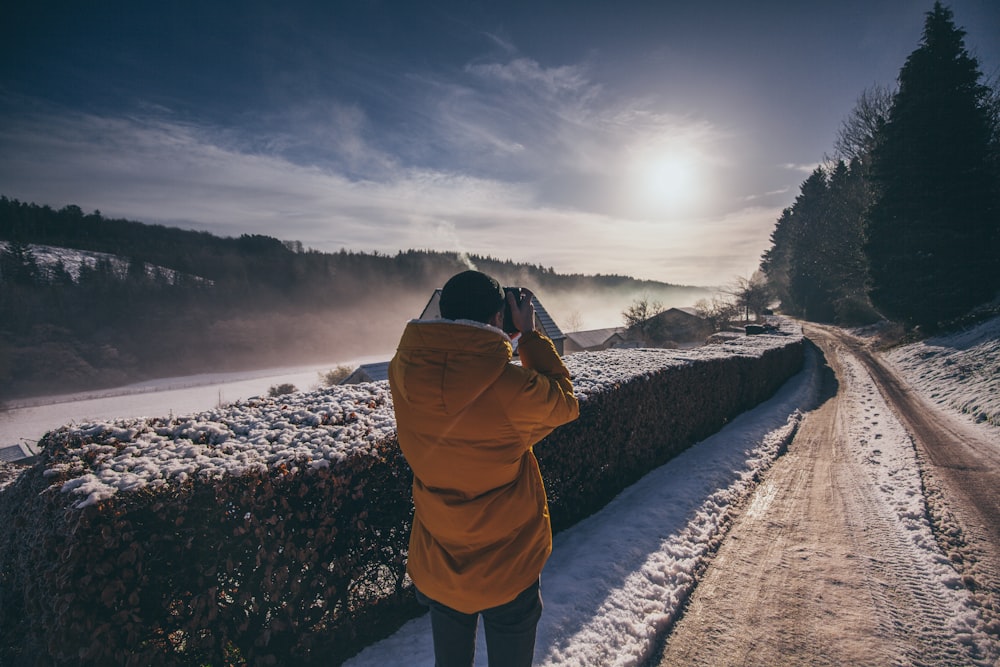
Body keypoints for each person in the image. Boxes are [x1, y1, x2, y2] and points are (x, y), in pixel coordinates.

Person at [388, 270, 580, 667]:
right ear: (498, 318)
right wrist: (526, 336)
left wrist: (493, 334)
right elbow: (565, 402)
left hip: (438, 556)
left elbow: (453, 369)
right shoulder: (510, 388)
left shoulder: (402, 372)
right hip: (508, 564)